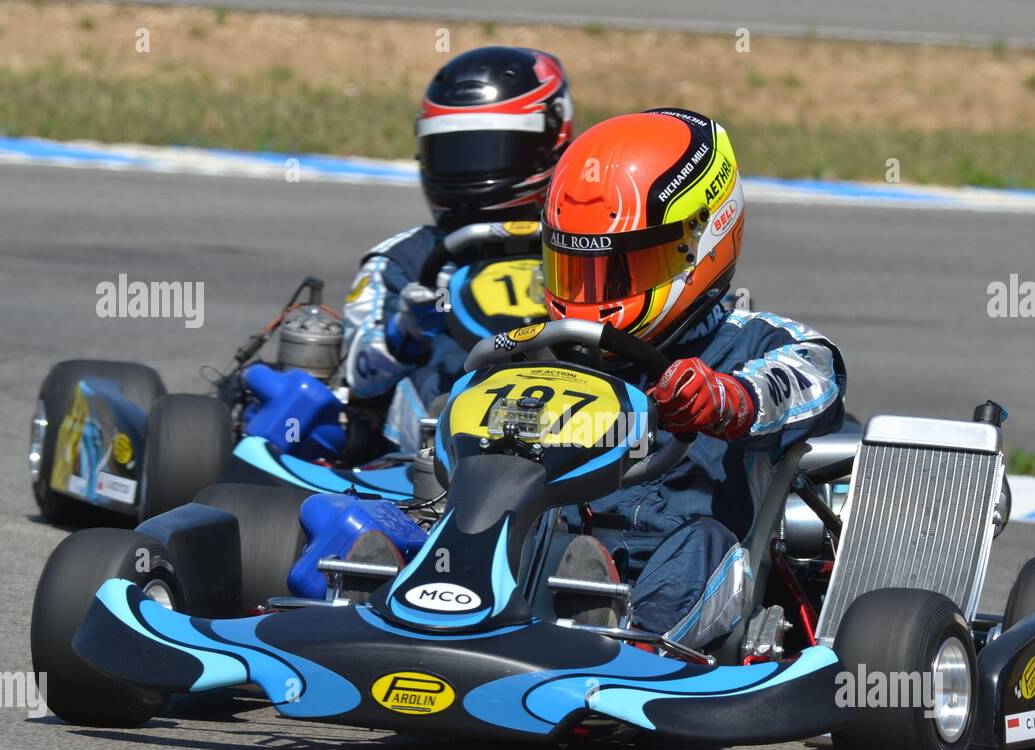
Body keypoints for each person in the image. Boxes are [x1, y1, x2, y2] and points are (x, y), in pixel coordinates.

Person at [541, 108, 847, 649]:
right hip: (566, 548)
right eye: (577, 270)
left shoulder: (755, 341)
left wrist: (728, 399)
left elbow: (817, 377)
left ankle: (626, 650)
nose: (592, 294)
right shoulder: (549, 348)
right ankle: (418, 607)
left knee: (701, 543)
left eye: (621, 269)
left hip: (693, 561)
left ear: (703, 240)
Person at [342, 46, 573, 452]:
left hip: (576, 423)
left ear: (553, 137)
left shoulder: (587, 248)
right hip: (425, 454)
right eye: (454, 153)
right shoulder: (404, 259)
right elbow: (360, 377)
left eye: (489, 150)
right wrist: (405, 333)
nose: (469, 171)